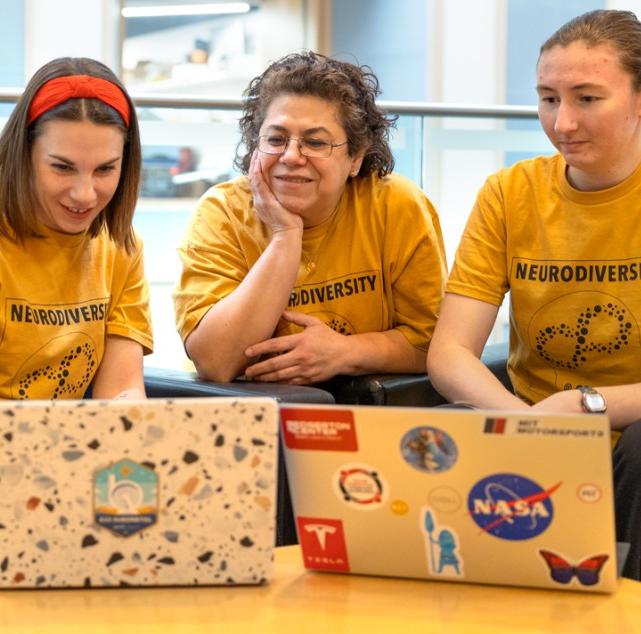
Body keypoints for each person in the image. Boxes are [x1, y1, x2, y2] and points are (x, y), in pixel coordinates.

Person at [426, 9, 641, 580]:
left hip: (628, 429)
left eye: (588, 98)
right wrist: (523, 423)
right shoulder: (509, 192)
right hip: (527, 418)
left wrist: (585, 407)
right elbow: (449, 353)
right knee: (449, 425)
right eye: (548, 98)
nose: (563, 122)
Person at [174, 51, 446, 385]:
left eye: (315, 142)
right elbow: (215, 361)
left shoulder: (397, 206)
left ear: (356, 158)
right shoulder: (223, 213)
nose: (291, 156)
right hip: (260, 417)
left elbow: (437, 344)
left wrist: (346, 352)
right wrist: (285, 235)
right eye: (275, 139)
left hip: (369, 416)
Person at [0, 57, 153, 400]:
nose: (84, 194)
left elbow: (121, 391)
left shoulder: (121, 248)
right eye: (62, 167)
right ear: (24, 154)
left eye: (104, 170)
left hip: (65, 447)